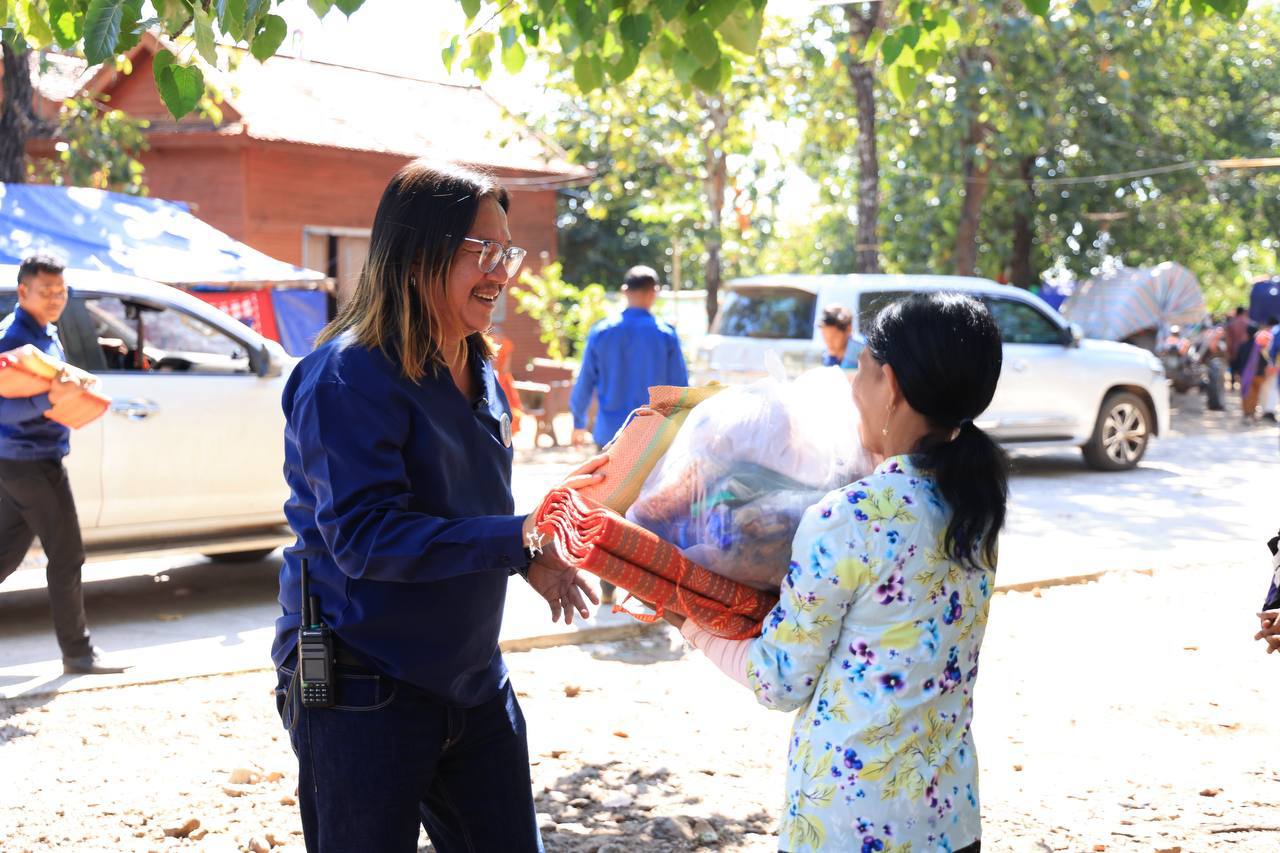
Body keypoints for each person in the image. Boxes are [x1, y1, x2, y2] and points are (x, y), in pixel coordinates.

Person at [273, 161, 606, 853]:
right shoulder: (347, 377)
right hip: (365, 683)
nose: (501, 272)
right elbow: (366, 536)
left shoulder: (477, 364)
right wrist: (516, 536)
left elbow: (468, 505)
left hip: (472, 677)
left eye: (507, 252)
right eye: (483, 250)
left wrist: (530, 555)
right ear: (418, 251)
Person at [673, 292, 1007, 853]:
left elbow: (779, 680)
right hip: (949, 819)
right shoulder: (977, 508)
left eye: (862, 368)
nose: (852, 386)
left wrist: (689, 622)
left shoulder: (847, 516)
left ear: (890, 385)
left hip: (851, 825)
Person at [0, 255, 126, 675]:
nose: (56, 298)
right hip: (30, 461)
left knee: (5, 555)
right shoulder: (13, 339)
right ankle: (79, 653)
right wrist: (50, 398)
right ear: (23, 292)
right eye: (46, 291)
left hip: (25, 460)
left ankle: (78, 652)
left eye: (61, 290)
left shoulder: (44, 331)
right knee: (67, 554)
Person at [570, 264, 688, 604]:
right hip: (654, 437)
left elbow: (585, 381)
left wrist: (578, 419)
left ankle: (607, 582)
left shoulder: (602, 331)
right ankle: (646, 589)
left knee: (609, 508)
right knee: (650, 509)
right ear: (653, 293)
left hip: (610, 435)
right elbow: (680, 389)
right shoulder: (664, 334)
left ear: (625, 292)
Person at [1226, 306, 1250, 390]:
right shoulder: (1248, 322)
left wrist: (1228, 350)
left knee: (1233, 367)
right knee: (1243, 366)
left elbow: (1228, 339)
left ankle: (1232, 384)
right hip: (1245, 349)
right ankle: (1243, 384)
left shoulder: (1231, 323)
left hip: (1234, 348)